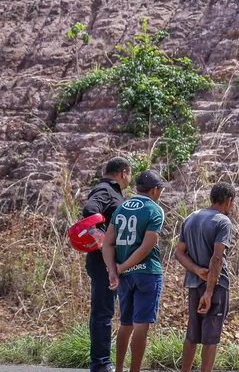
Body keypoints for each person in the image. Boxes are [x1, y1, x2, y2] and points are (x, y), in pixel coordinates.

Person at [103, 170, 168, 372]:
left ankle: (120, 368)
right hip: (147, 273)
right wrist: (121, 267)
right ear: (155, 190)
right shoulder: (154, 210)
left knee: (125, 324)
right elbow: (146, 247)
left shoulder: (121, 208)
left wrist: (113, 270)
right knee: (141, 326)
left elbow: (107, 243)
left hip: (125, 276)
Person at [174, 182, 236, 372]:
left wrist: (196, 270)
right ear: (228, 201)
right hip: (215, 287)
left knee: (192, 334)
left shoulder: (191, 218)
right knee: (211, 337)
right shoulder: (222, 221)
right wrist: (209, 292)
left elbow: (179, 253)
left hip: (194, 284)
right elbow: (216, 259)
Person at [82, 157, 132, 372]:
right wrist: (102, 241)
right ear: (123, 172)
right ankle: (101, 364)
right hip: (102, 263)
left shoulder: (112, 192)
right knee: (103, 314)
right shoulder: (105, 190)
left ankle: (102, 362)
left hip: (110, 263)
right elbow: (89, 210)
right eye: (130, 174)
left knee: (106, 312)